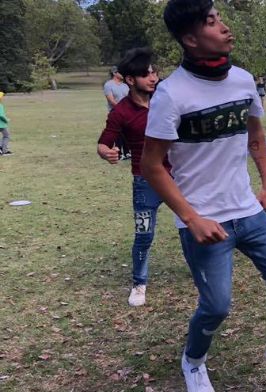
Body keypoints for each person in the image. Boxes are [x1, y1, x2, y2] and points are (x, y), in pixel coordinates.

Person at [141, 1, 266, 390]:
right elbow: (151, 165)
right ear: (190, 38)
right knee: (216, 306)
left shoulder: (244, 80)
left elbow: (255, 138)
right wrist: (191, 217)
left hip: (248, 210)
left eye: (220, 19)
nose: (225, 28)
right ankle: (194, 360)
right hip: (203, 219)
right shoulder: (171, 93)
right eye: (213, 23)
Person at [97, 48, 167, 307]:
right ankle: (139, 283)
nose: (153, 78)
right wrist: (108, 153)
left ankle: (202, 272)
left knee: (193, 227)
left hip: (178, 177)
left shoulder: (166, 99)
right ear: (130, 80)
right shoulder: (121, 112)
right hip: (145, 181)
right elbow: (103, 143)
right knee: (144, 235)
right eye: (146, 74)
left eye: (154, 73)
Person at [104, 65, 131, 160]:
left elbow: (129, 98)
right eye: (121, 72)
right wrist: (121, 109)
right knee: (118, 133)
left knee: (126, 132)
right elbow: (111, 100)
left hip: (126, 111)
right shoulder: (109, 84)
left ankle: (127, 152)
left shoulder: (125, 85)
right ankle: (119, 153)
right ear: (115, 73)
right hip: (115, 111)